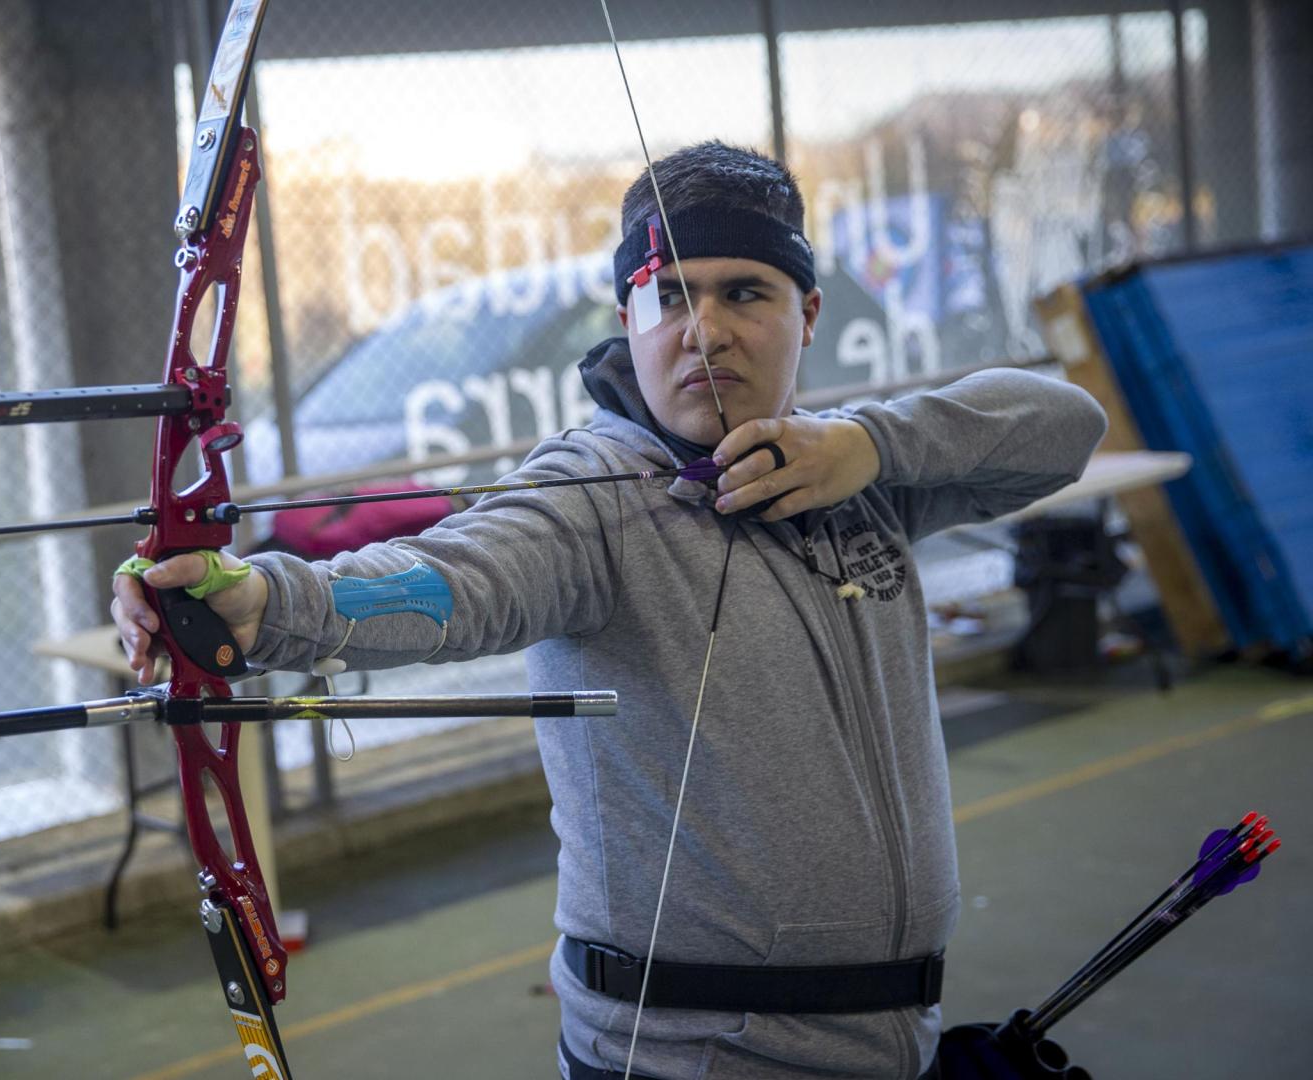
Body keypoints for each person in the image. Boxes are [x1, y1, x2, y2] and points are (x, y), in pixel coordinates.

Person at [111, 140, 1107, 1079]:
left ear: (807, 315)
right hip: (689, 1051)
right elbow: (454, 581)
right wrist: (262, 600)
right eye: (669, 294)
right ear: (627, 319)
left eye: (744, 293)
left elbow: (1069, 425)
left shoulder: (853, 470)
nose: (704, 328)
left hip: (894, 1038)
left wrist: (872, 446)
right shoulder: (587, 498)